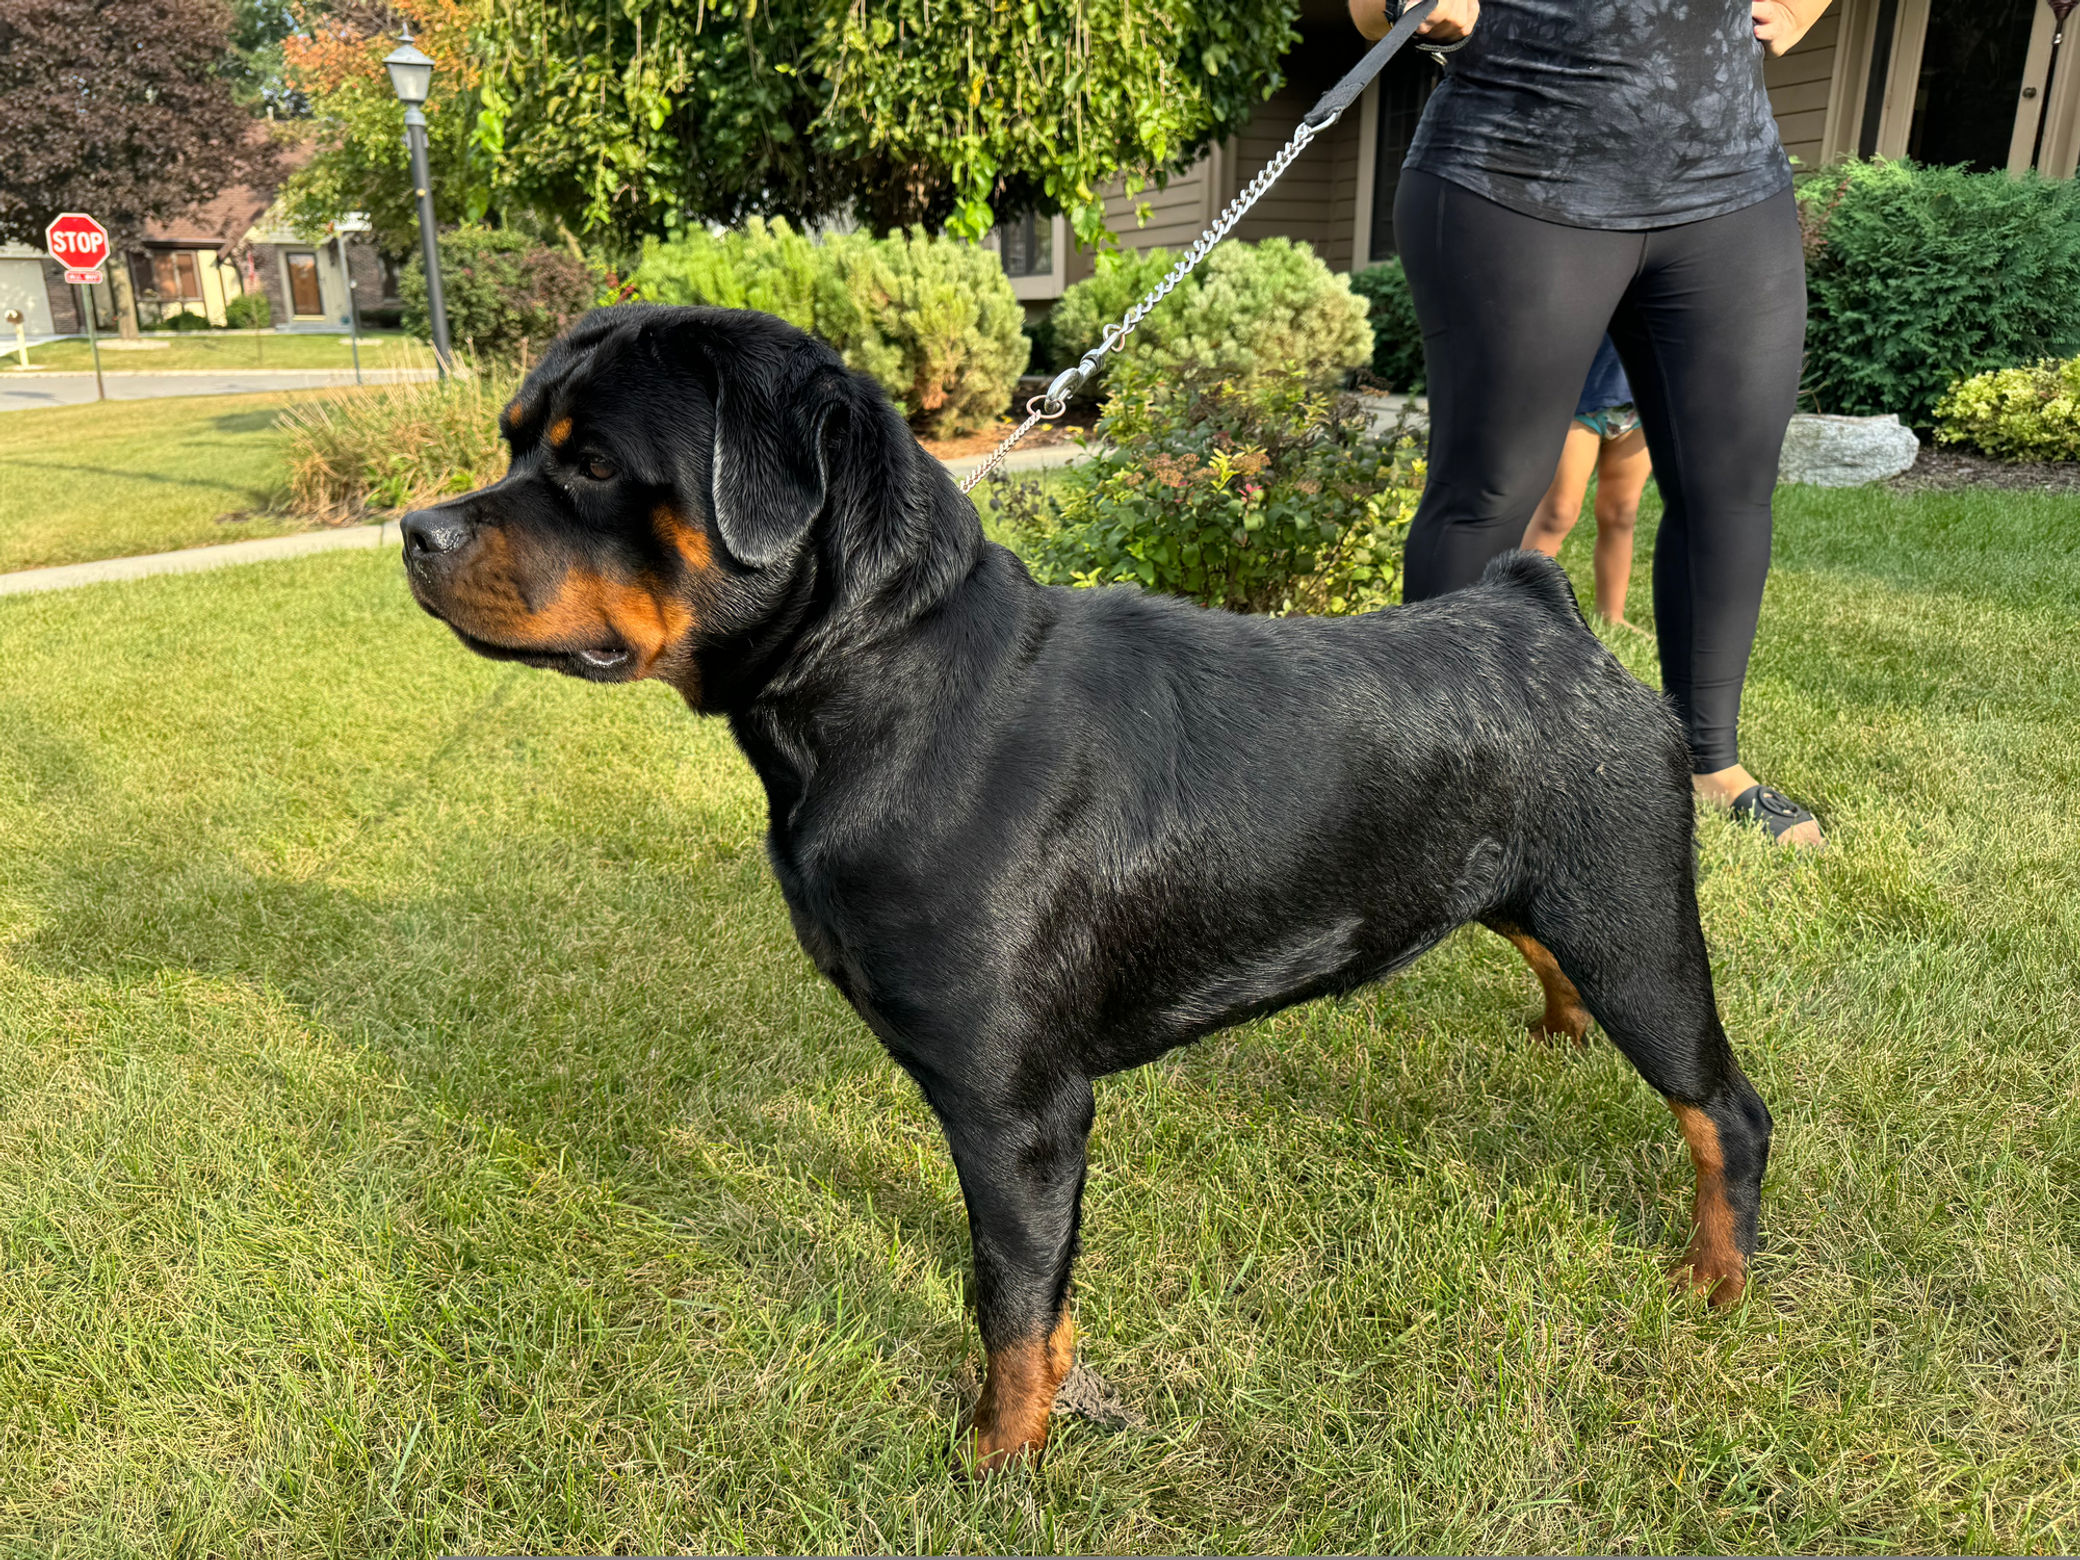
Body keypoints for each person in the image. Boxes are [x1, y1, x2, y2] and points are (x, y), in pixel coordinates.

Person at [1352, 0, 1828, 848]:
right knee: (1488, 489)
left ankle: (1708, 761)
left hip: (1728, 190)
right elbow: (1367, 9)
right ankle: (1448, 776)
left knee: (1729, 488)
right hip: (1512, 176)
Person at [1522, 335, 1651, 630]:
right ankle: (1520, 614)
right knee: (1558, 512)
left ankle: (1612, 615)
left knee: (1621, 513)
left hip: (1642, 399)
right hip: (1581, 398)